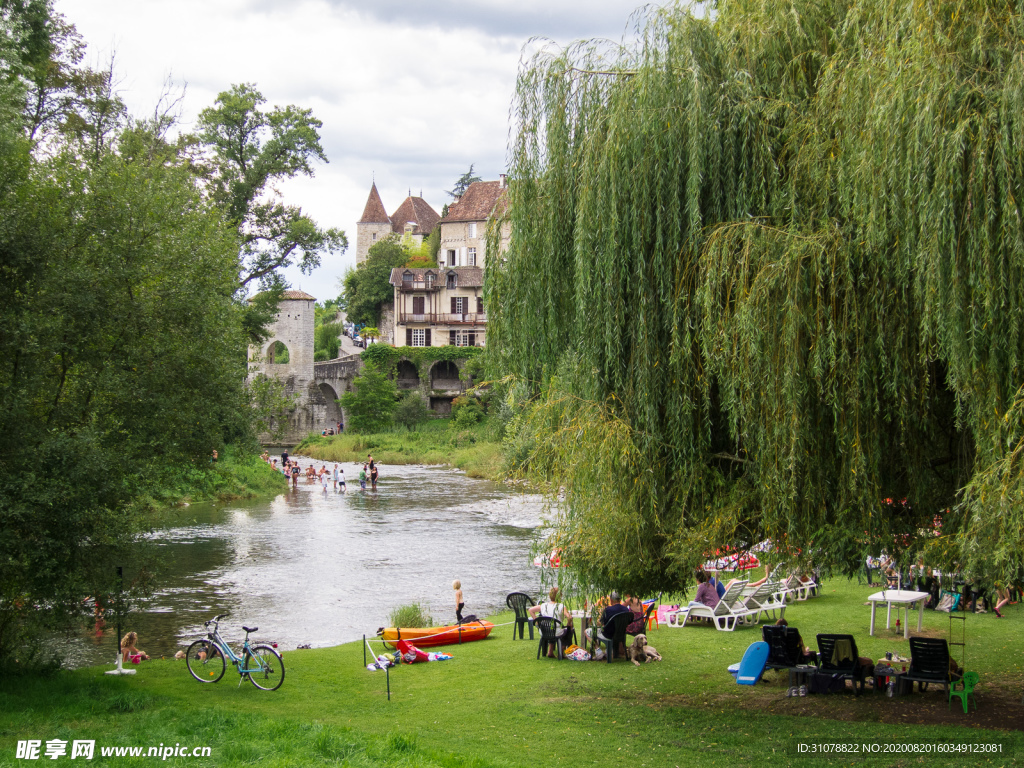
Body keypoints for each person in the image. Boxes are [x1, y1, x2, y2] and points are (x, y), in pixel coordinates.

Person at [530, 587, 574, 656]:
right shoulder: (561, 606)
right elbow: (569, 617)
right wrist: (569, 623)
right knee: (568, 630)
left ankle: (550, 651)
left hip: (544, 631)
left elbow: (531, 610)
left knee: (552, 628)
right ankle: (561, 651)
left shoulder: (544, 605)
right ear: (560, 596)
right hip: (556, 632)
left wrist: (537, 622)